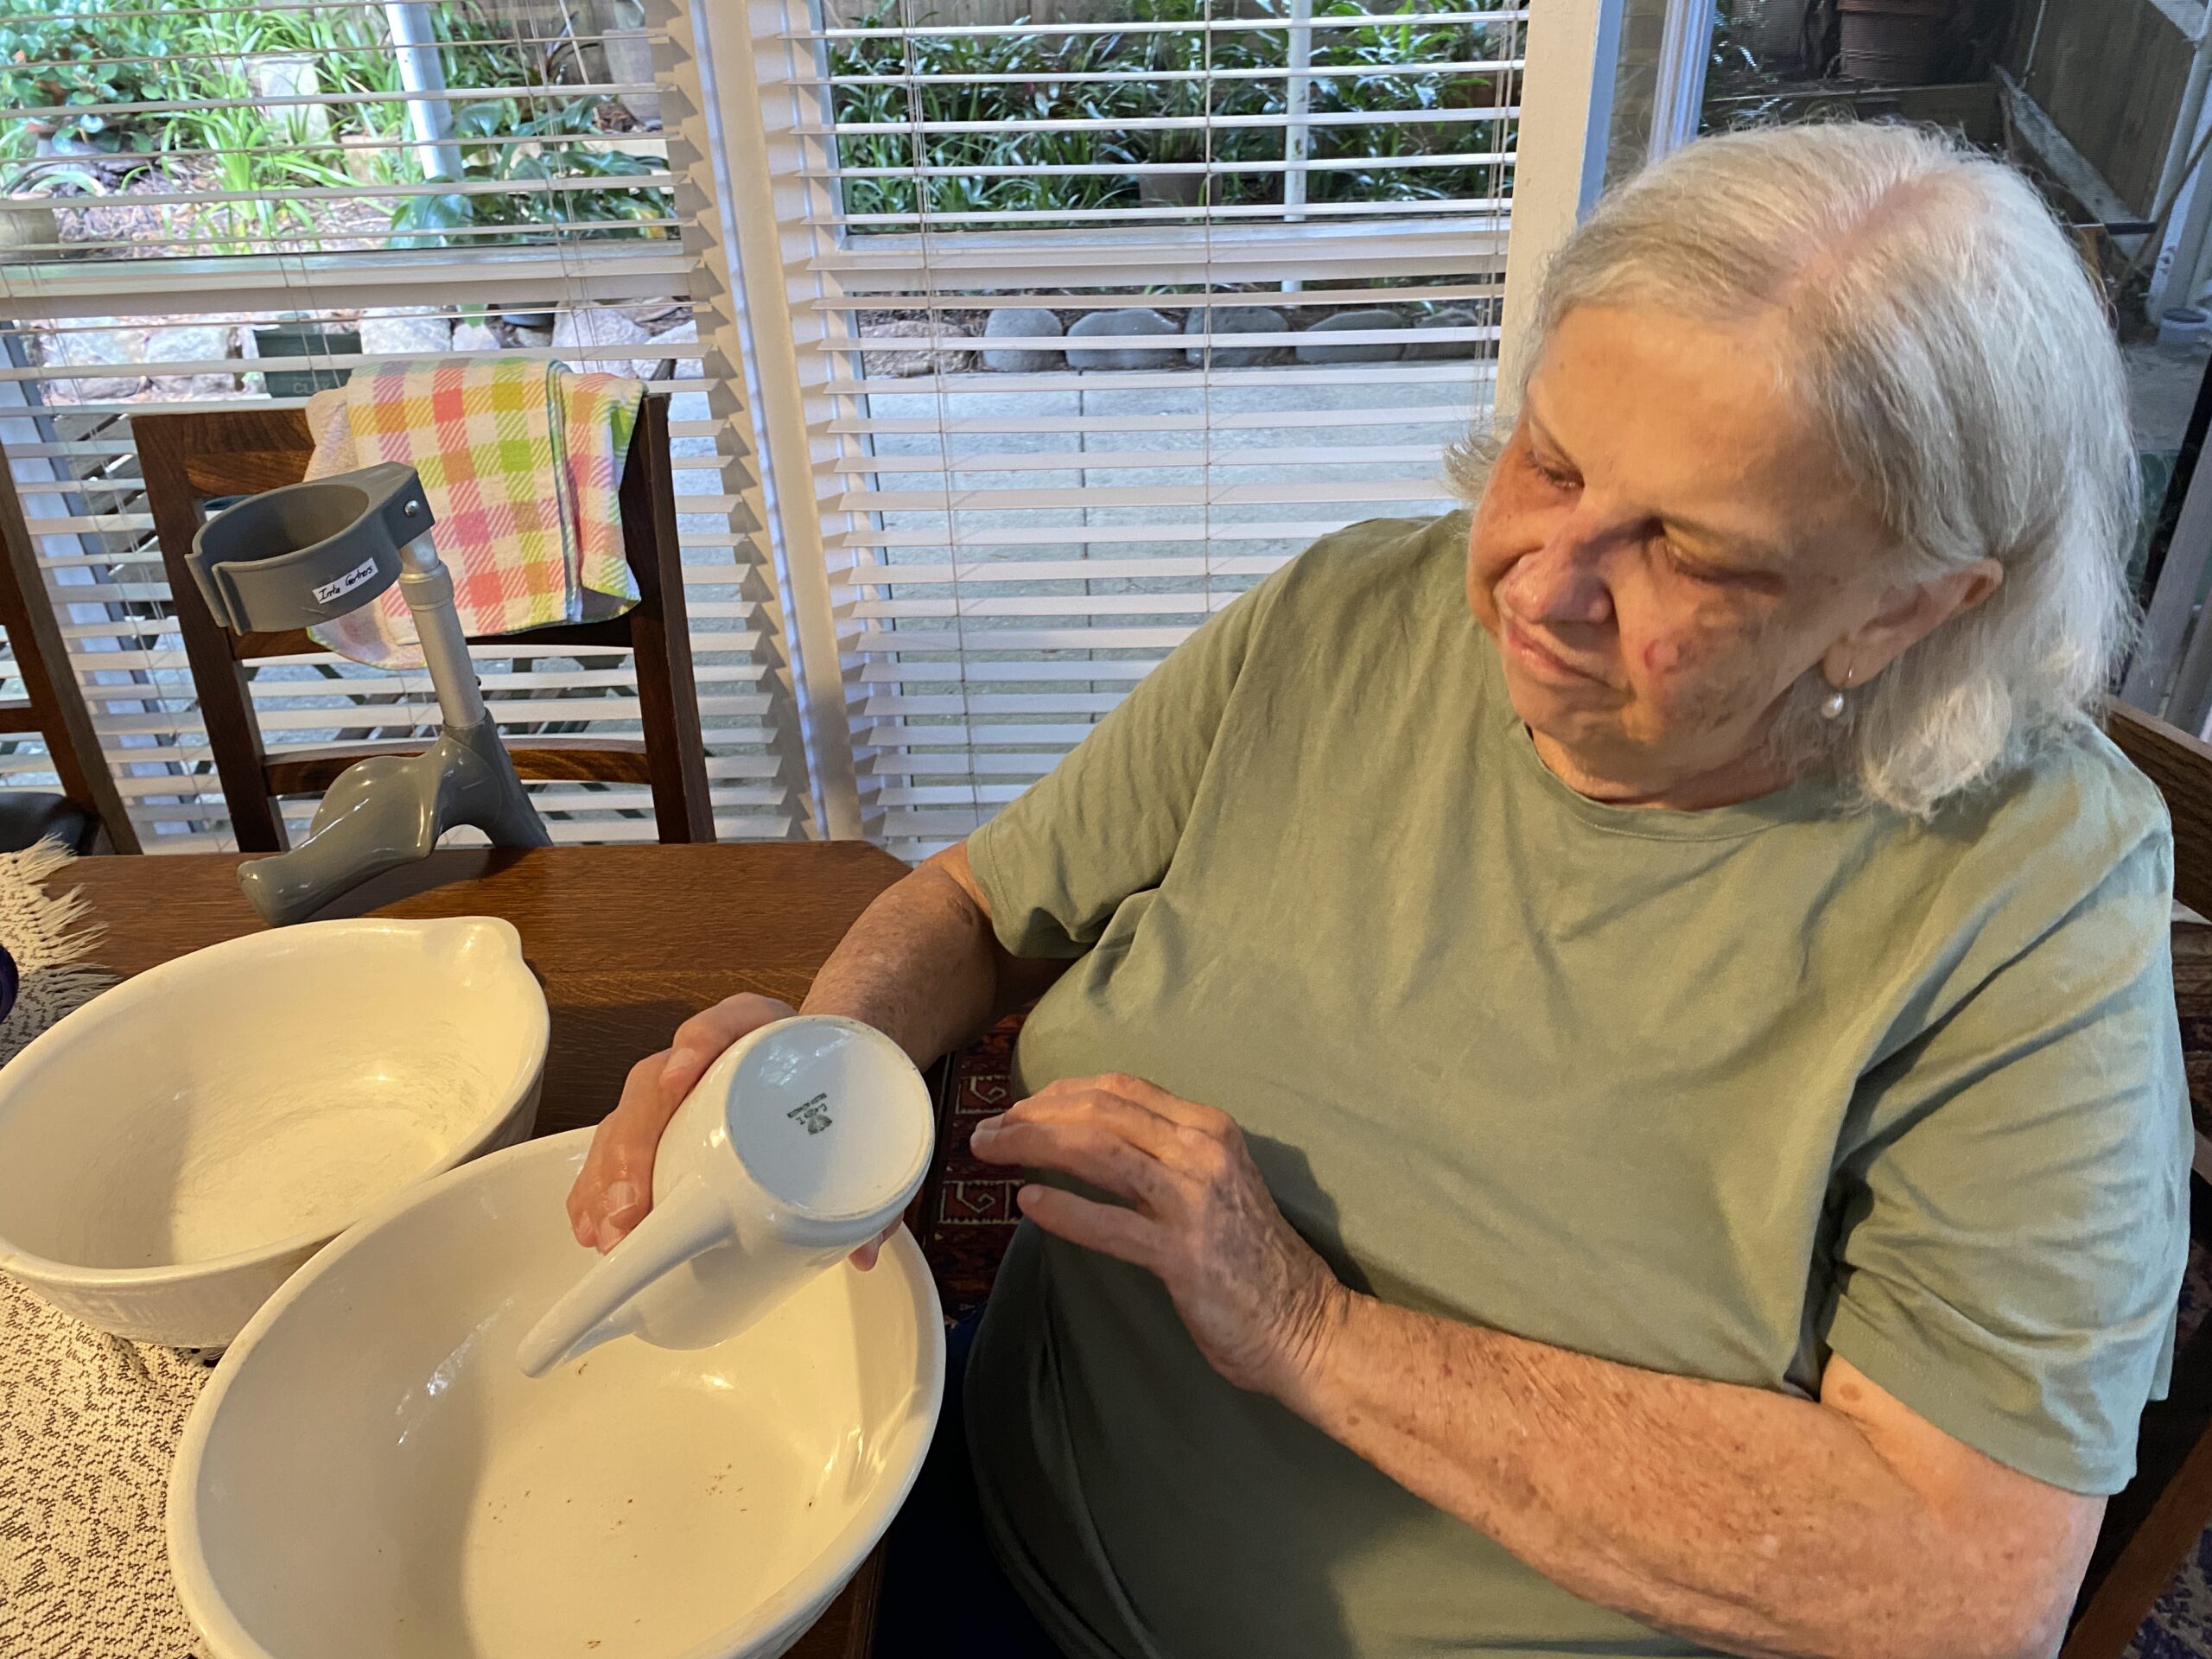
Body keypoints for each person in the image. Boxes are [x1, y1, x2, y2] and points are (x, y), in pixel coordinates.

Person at [567, 122, 2190, 1659]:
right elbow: (976, 904)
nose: (1540, 588)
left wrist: (1314, 1332)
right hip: (978, 1487)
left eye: (1691, 552)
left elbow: (1958, 1589)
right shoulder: (1352, 612)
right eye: (1550, 464)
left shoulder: (2030, 893)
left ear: (1907, 613)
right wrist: (819, 1075)